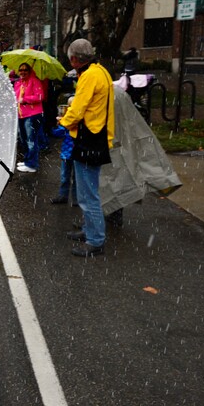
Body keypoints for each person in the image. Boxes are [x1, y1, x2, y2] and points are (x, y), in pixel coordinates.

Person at [57, 39, 115, 257]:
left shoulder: (89, 76)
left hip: (89, 139)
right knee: (87, 191)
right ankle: (89, 230)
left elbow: (78, 109)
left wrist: (62, 123)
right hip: (96, 137)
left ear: (74, 58)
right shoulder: (100, 71)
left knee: (88, 195)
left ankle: (95, 241)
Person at [14, 63, 45, 173]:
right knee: (24, 139)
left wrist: (25, 99)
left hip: (32, 115)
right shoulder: (18, 83)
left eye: (25, 70)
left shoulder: (35, 81)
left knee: (31, 140)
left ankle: (32, 164)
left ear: (29, 71)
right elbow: (15, 97)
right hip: (21, 115)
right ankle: (27, 160)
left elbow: (40, 96)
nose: (23, 72)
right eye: (21, 70)